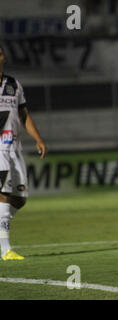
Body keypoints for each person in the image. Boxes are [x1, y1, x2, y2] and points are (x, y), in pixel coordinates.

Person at [0, 44, 47, 260]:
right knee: (4, 194)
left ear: (3, 58)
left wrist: (37, 139)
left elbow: (24, 115)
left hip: (15, 148)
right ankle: (5, 248)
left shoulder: (13, 85)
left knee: (20, 197)